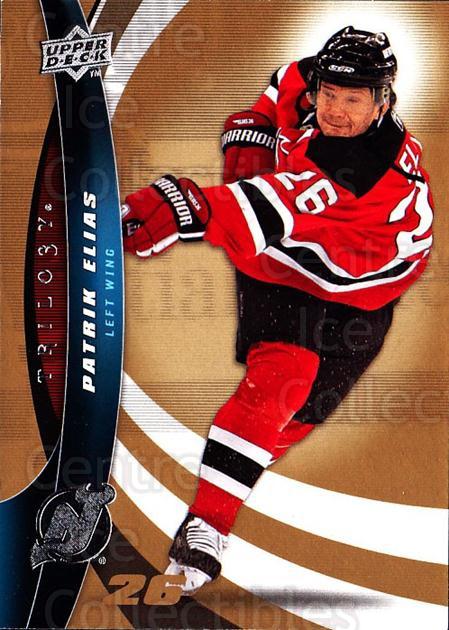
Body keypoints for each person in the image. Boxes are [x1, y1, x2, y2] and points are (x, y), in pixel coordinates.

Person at [121, 26, 434, 594]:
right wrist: (255, 130)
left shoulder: (361, 168)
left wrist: (181, 203)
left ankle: (223, 482)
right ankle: (208, 526)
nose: (335, 110)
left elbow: (271, 200)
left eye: (353, 100)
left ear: (383, 103)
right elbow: (279, 97)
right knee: (282, 381)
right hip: (283, 263)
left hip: (364, 291)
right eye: (329, 94)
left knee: (293, 420)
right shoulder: (309, 81)